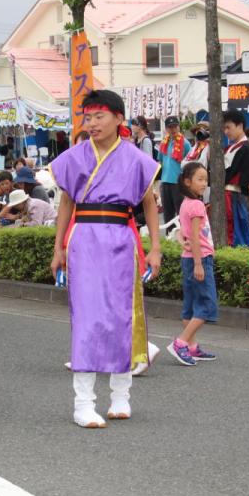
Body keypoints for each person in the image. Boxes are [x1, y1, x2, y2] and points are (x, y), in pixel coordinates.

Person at [50, 90, 162, 428]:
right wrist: (58, 247)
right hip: (83, 236)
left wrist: (155, 247)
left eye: (100, 116)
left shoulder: (137, 159)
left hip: (121, 239)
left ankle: (121, 396)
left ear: (118, 118)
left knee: (120, 315)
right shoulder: (73, 157)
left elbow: (149, 205)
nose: (92, 123)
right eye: (88, 117)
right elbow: (67, 204)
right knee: (85, 317)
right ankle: (83, 402)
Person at [167, 161, 218, 366]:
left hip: (188, 259)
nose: (204, 183)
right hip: (200, 258)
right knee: (206, 305)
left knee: (190, 306)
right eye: (199, 179)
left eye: (205, 179)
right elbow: (196, 238)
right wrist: (199, 264)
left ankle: (192, 346)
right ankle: (181, 342)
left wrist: (183, 243)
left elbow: (182, 232)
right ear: (187, 182)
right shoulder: (196, 205)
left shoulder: (185, 203)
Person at [223, 110, 249, 247]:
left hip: (234, 196)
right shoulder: (230, 148)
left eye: (228, 127)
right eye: (224, 128)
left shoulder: (246, 148)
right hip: (227, 195)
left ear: (240, 126)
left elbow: (234, 174)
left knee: (238, 232)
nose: (225, 131)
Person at [158, 115, 189, 224]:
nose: (173, 129)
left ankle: (182, 237)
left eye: (175, 126)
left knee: (180, 211)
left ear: (179, 127)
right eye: (170, 127)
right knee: (167, 212)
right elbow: (160, 161)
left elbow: (189, 162)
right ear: (166, 129)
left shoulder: (185, 143)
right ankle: (168, 237)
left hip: (178, 182)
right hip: (165, 181)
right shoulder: (163, 143)